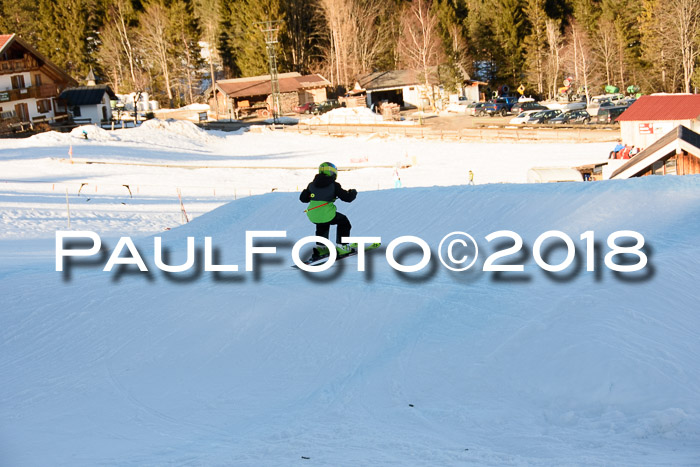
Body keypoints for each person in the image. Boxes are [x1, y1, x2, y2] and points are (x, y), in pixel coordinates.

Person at [300, 162, 357, 260]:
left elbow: (303, 199)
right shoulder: (334, 185)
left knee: (322, 225)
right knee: (344, 222)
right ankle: (342, 247)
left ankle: (322, 248)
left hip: (313, 214)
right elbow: (347, 198)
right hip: (326, 213)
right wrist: (353, 193)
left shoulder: (312, 185)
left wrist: (310, 194)